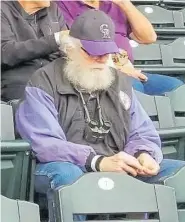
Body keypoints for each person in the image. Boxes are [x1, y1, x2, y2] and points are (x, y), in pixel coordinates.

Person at [15, 9, 185, 222]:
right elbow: (45, 144)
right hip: (66, 164)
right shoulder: (43, 82)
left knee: (180, 173)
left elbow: (142, 132)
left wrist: (143, 155)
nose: (102, 59)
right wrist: (96, 161)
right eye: (93, 52)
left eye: (106, 52)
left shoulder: (120, 81)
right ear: (71, 48)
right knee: (68, 177)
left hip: (119, 161)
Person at [57, 0, 184, 95]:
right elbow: (72, 44)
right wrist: (117, 67)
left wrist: (125, 4)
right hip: (97, 70)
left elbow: (149, 37)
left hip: (129, 71)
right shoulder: (63, 4)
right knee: (133, 90)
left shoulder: (114, 4)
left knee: (176, 88)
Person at [1, 0, 66, 101]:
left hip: (58, 87)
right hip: (21, 89)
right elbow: (5, 53)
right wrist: (54, 40)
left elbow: (65, 51)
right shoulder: (3, 10)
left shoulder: (54, 10)